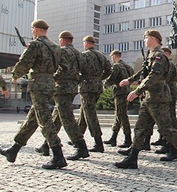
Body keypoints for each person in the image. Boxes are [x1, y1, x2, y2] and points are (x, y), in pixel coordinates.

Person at [115, 30, 177, 171]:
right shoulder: (151, 55)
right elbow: (143, 72)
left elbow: (154, 76)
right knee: (140, 128)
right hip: (150, 98)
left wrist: (137, 91)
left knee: (166, 129)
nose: (144, 41)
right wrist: (129, 80)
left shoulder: (159, 56)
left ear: (153, 39)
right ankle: (132, 158)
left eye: (145, 38)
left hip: (158, 98)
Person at [0, 19, 67, 169]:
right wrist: (52, 78)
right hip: (50, 85)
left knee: (44, 120)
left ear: (36, 29)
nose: (32, 32)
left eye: (32, 29)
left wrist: (16, 75)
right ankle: (14, 149)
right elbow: (66, 67)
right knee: (33, 118)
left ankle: (58, 155)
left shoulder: (35, 44)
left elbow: (25, 62)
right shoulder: (56, 47)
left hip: (38, 85)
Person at [35, 30, 89, 161]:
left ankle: (81, 147)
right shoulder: (79, 54)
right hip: (72, 87)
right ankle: (46, 144)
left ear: (62, 40)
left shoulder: (62, 51)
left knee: (67, 118)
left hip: (62, 87)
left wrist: (54, 78)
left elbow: (61, 68)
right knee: (57, 117)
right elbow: (84, 71)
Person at [77, 35, 112, 153]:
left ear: (86, 43)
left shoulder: (84, 55)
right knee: (84, 112)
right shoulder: (101, 55)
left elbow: (77, 69)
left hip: (87, 86)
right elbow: (109, 70)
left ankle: (98, 142)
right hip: (97, 86)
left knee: (90, 114)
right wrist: (99, 78)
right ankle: (77, 137)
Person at [103, 50, 134, 148]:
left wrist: (105, 85)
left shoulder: (117, 66)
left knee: (122, 115)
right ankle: (113, 137)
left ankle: (128, 139)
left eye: (111, 57)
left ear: (114, 56)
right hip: (127, 92)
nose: (111, 59)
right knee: (118, 115)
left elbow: (112, 78)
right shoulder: (128, 66)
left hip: (120, 93)